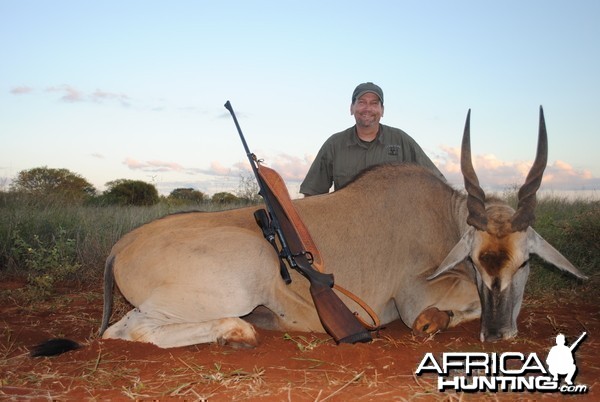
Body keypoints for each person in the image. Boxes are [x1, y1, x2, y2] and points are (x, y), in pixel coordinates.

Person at [300, 82, 444, 196]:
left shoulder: (401, 140)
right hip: (347, 228)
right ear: (351, 108)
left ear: (382, 110)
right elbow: (312, 193)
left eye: (374, 103)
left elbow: (438, 182)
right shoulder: (334, 144)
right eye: (362, 102)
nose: (367, 108)